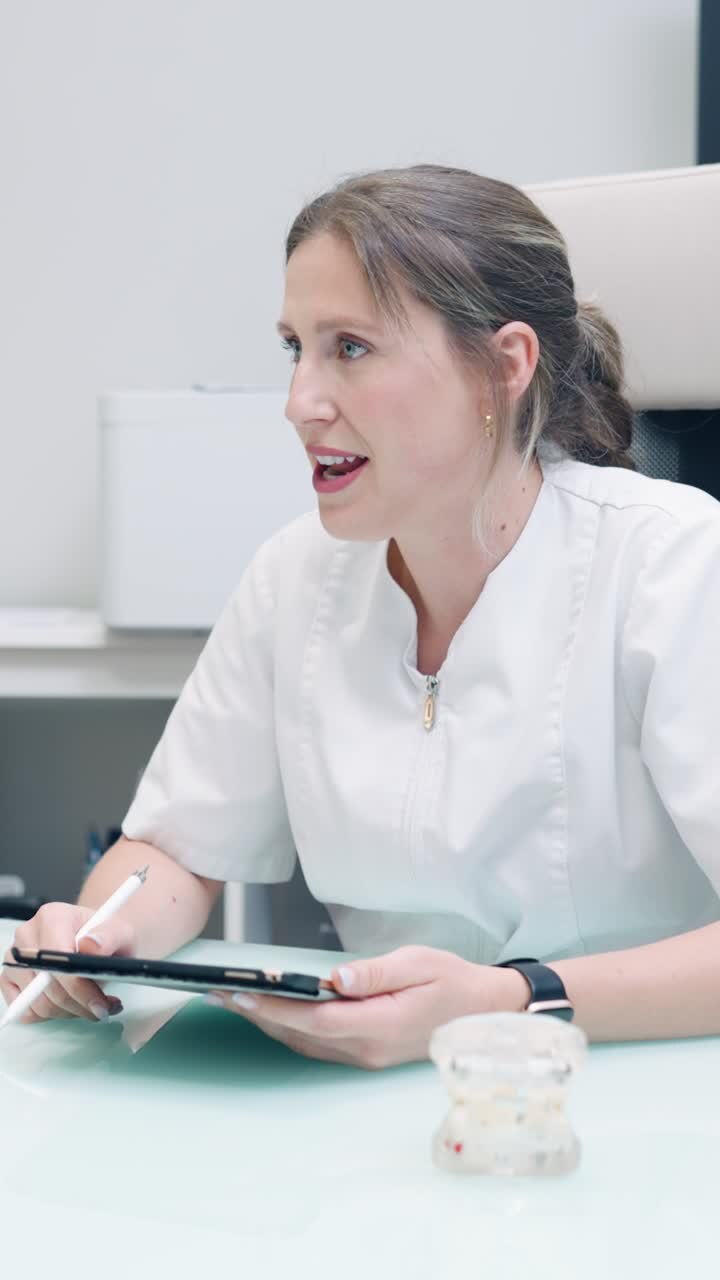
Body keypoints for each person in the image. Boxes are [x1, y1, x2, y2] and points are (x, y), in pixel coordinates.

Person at [3, 164, 720, 1067]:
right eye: (294, 347)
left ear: (504, 367)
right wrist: (99, 932)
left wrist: (505, 1003)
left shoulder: (674, 564)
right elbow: (176, 851)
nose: (301, 402)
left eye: (350, 348)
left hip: (645, 1099)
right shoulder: (293, 579)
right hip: (377, 1105)